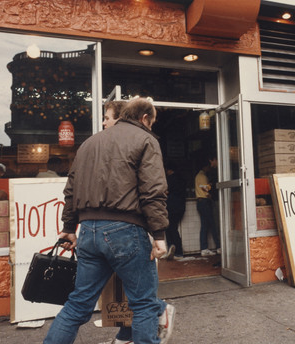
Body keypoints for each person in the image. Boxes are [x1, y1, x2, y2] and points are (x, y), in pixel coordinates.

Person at [45, 97, 175, 344]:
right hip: (126, 230)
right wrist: (159, 236)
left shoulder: (88, 143)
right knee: (144, 305)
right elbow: (154, 191)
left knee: (78, 303)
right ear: (145, 118)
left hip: (88, 232)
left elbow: (70, 190)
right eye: (151, 123)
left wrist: (69, 228)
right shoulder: (146, 139)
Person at [195, 156, 220, 257]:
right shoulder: (202, 176)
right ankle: (219, 246)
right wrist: (210, 187)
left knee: (205, 226)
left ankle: (204, 248)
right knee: (213, 225)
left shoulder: (198, 175)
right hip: (205, 202)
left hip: (200, 203)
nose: (210, 167)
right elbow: (205, 189)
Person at [164, 163, 186, 260]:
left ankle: (176, 251)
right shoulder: (181, 179)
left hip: (171, 207)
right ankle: (175, 250)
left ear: (169, 170)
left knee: (170, 228)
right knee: (173, 228)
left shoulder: (169, 179)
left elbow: (165, 192)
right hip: (181, 208)